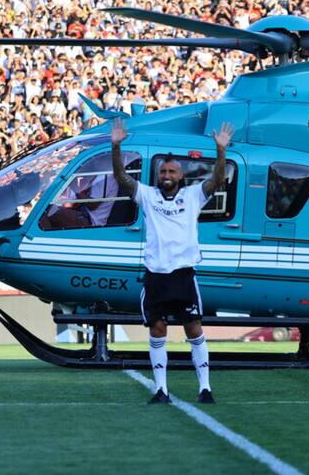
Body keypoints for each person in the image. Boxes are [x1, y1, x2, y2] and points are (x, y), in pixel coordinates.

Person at [111, 118, 234, 404]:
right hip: (156, 276)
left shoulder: (193, 196)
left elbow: (217, 179)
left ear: (180, 176)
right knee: (157, 330)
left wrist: (220, 150)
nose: (166, 174)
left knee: (194, 329)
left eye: (172, 171)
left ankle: (205, 388)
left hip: (183, 276)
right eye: (163, 171)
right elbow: (121, 178)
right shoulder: (148, 195)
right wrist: (115, 145)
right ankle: (161, 390)